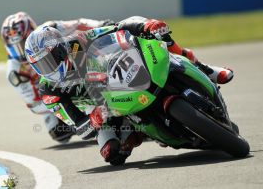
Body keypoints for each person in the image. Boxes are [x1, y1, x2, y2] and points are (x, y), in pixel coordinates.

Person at [24, 16, 234, 165]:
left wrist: (145, 27)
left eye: (50, 60)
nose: (48, 68)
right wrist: (94, 120)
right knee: (112, 154)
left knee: (157, 35)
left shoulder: (76, 44)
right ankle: (136, 137)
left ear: (61, 49)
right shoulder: (48, 91)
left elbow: (117, 28)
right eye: (41, 65)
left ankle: (207, 69)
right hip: (100, 111)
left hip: (117, 79)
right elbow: (79, 127)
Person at [1, 11, 113, 143]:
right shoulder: (14, 72)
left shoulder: (48, 31)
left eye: (22, 43)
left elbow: (78, 23)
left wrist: (100, 25)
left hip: (77, 67)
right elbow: (34, 104)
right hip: (55, 93)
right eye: (15, 48)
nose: (21, 52)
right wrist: (60, 99)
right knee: (59, 132)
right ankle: (93, 122)